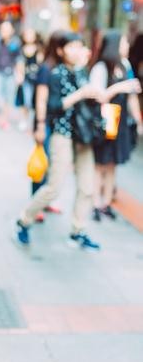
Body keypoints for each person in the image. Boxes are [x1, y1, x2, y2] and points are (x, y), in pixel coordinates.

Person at [15, 32, 102, 251]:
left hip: (84, 136)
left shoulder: (83, 72)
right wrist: (79, 94)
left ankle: (78, 230)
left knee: (87, 186)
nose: (75, 50)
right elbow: (53, 106)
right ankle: (24, 219)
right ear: (61, 50)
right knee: (54, 186)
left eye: (79, 46)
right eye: (70, 46)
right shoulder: (55, 74)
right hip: (62, 133)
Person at [90, 30, 142, 221]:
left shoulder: (125, 65)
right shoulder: (101, 68)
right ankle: (95, 203)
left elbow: (132, 96)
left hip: (120, 123)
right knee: (100, 165)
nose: (127, 46)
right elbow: (98, 95)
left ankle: (105, 203)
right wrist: (121, 87)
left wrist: (137, 120)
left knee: (112, 164)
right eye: (124, 43)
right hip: (105, 121)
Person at [31, 31, 66, 222]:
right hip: (45, 122)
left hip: (56, 123)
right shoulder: (47, 68)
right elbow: (41, 99)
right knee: (41, 164)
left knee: (52, 164)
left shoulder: (62, 68)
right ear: (59, 48)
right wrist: (40, 125)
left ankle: (46, 200)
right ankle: (35, 203)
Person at [0, 20, 22, 128]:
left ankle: (4, 119)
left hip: (10, 74)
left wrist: (20, 74)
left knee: (9, 98)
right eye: (3, 29)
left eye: (7, 29)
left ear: (12, 31)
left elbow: (19, 60)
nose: (5, 32)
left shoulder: (15, 44)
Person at [17, 27, 43, 131]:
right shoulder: (21, 49)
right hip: (26, 79)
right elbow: (20, 64)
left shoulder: (39, 49)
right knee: (26, 100)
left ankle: (33, 121)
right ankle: (25, 120)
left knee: (35, 100)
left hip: (37, 79)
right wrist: (20, 75)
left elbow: (40, 64)